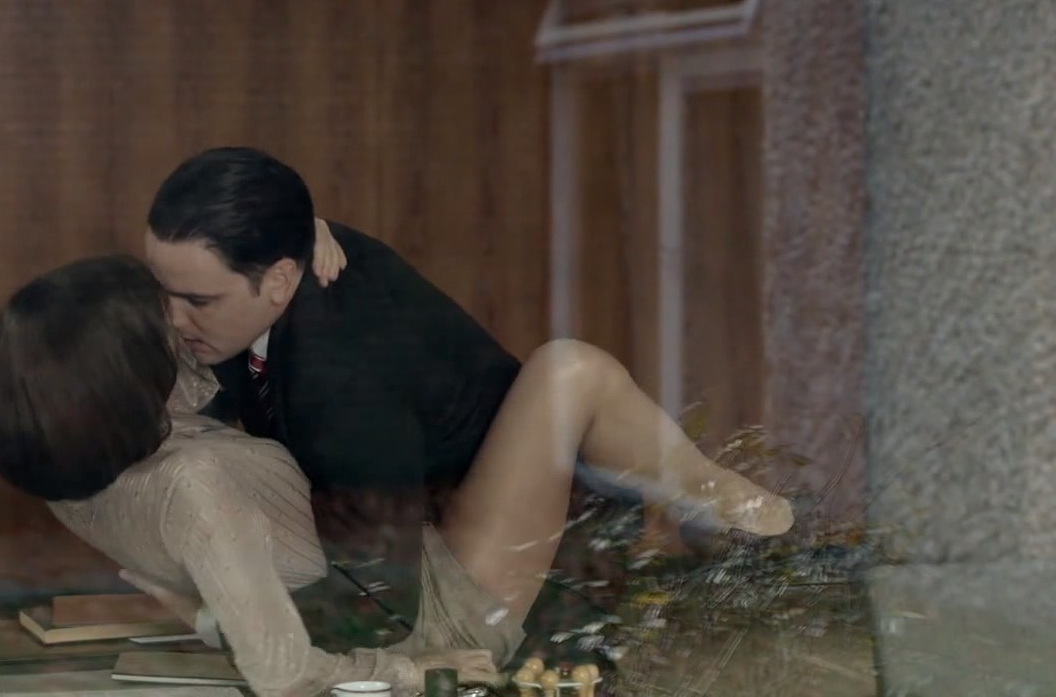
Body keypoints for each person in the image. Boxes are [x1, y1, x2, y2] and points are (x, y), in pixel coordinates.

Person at [0, 256, 793, 697]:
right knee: (570, 374)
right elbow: (283, 673)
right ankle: (725, 505)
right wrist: (412, 671)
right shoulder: (194, 479)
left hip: (376, 565)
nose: (187, 327)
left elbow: (208, 576)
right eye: (169, 328)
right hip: (429, 616)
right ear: (126, 372)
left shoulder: (73, 476)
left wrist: (291, 238)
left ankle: (702, 510)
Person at [140, 146, 697, 561]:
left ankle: (705, 510)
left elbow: (378, 587)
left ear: (281, 278)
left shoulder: (338, 376)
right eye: (163, 292)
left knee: (576, 373)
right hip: (428, 521)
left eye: (197, 301)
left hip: (530, 552)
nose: (173, 317)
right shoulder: (262, 286)